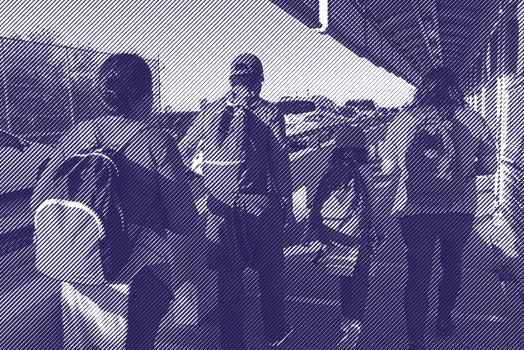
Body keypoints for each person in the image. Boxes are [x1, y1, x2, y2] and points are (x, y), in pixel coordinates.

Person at [36, 53, 205, 349]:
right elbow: (185, 222)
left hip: (77, 268)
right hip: (138, 277)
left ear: (103, 95)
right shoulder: (156, 140)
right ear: (147, 97)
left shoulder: (76, 134)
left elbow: (40, 197)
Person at [179, 53, 294, 349]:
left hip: (219, 210)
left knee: (228, 282)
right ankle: (275, 332)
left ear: (231, 80)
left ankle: (232, 343)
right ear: (258, 82)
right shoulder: (269, 113)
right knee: (271, 274)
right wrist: (287, 205)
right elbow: (280, 162)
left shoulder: (209, 111)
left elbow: (183, 153)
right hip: (258, 206)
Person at [381, 66, 497, 350]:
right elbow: (489, 165)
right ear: (456, 88)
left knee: (417, 272)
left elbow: (387, 167)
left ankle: (415, 339)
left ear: (423, 89)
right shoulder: (474, 120)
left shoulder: (402, 120)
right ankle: (444, 319)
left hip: (413, 210)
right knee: (452, 265)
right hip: (459, 209)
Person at [309, 124, 380, 349]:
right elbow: (372, 205)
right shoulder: (365, 171)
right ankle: (353, 328)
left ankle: (345, 321)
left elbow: (316, 205)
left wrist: (316, 229)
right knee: (359, 284)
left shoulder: (331, 170)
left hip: (336, 237)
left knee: (344, 281)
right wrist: (378, 232)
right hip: (359, 240)